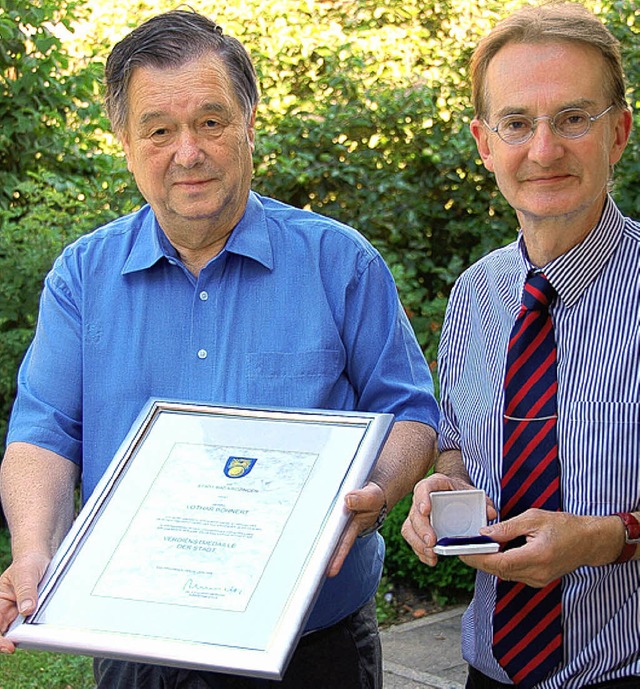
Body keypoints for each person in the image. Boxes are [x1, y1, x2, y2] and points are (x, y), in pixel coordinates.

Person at [0, 10, 439, 689]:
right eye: (159, 129)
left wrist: (377, 490)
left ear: (249, 119)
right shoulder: (81, 278)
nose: (188, 151)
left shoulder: (339, 263)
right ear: (124, 139)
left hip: (314, 652)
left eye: (211, 121)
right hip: (135, 644)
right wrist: (34, 551)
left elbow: (410, 411)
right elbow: (43, 433)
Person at [402, 3, 638, 689]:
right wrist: (443, 491)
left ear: (618, 132)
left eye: (573, 118)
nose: (543, 149)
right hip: (490, 670)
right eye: (516, 123)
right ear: (484, 143)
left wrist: (602, 537)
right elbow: (459, 448)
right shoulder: (474, 296)